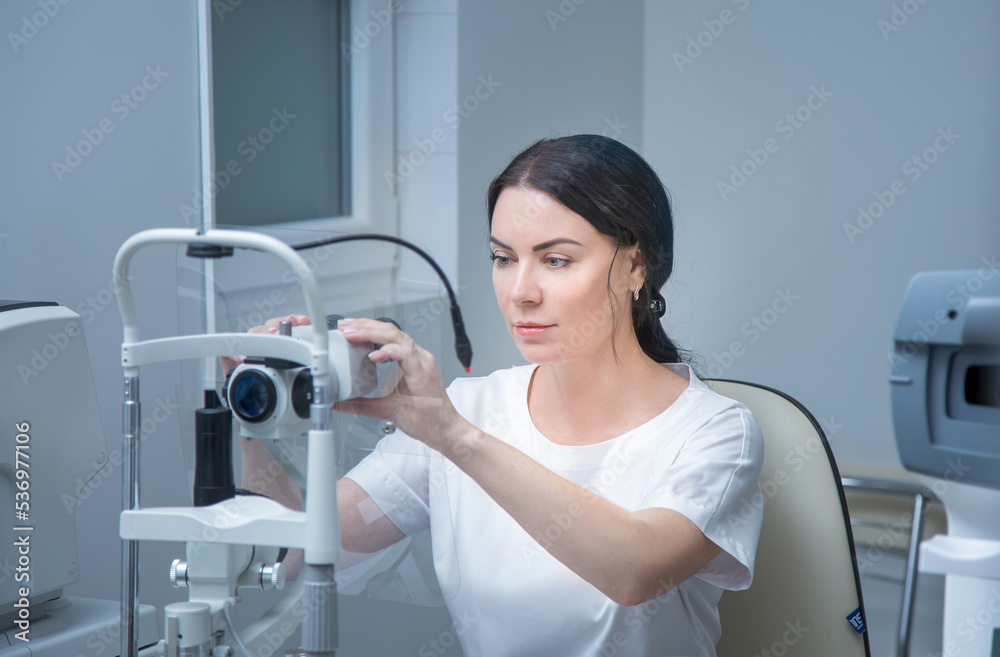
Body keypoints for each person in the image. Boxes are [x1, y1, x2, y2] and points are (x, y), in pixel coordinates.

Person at [236, 134, 764, 657]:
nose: (521, 292)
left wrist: (456, 439)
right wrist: (253, 412)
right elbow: (306, 543)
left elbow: (632, 572)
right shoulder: (465, 411)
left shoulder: (715, 431)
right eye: (504, 258)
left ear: (635, 266)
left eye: (556, 260)